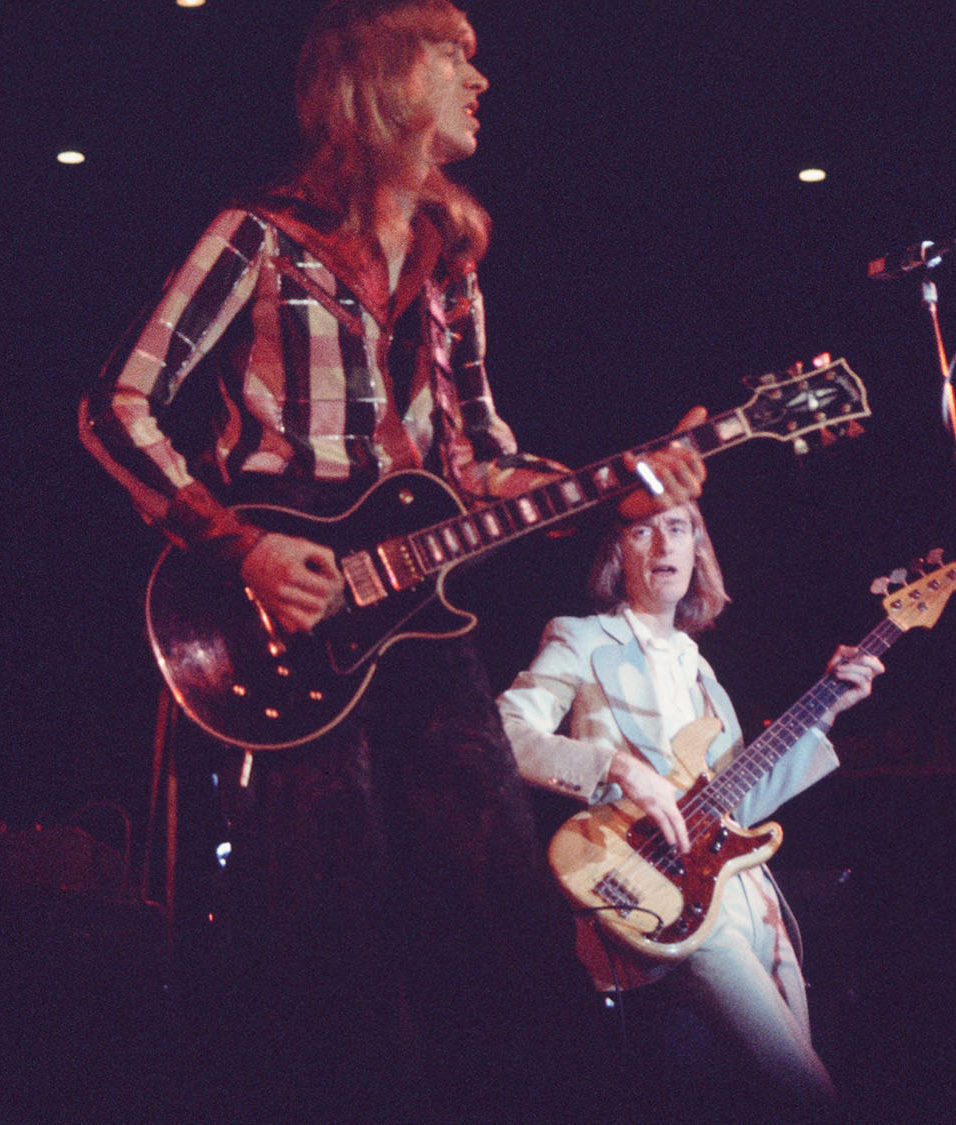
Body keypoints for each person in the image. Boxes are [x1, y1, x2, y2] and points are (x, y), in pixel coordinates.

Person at [78, 1, 705, 1116]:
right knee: (325, 921)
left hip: (413, 618)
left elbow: (481, 470)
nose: (482, 80)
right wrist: (241, 544)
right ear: (380, 78)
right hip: (277, 599)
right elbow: (117, 408)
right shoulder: (257, 237)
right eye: (454, 56)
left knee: (499, 907)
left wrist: (616, 487)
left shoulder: (452, 271)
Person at [497, 500, 883, 1112]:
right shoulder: (580, 638)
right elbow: (503, 735)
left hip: (746, 897)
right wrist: (617, 768)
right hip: (659, 895)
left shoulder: (704, 674)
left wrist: (826, 707)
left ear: (698, 547)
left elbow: (739, 806)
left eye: (678, 529)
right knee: (809, 1096)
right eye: (642, 530)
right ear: (616, 552)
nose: (663, 545)